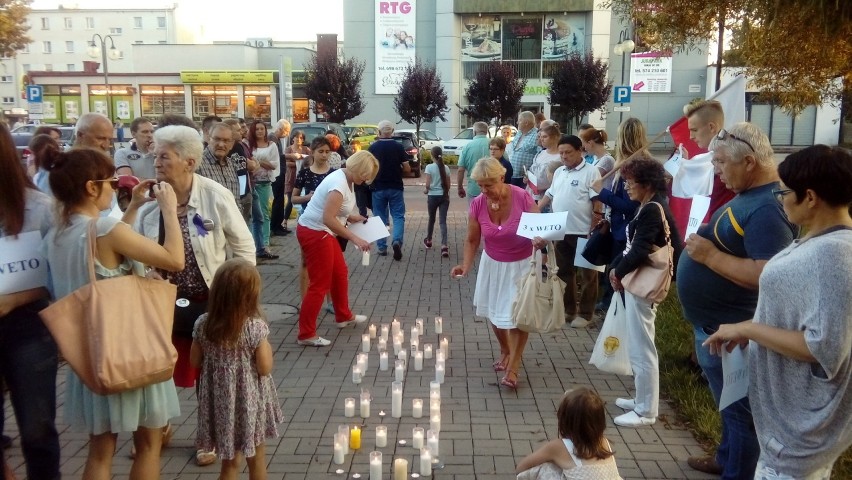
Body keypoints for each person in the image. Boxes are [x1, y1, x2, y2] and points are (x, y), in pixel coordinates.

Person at [703, 145, 852, 480]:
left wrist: (749, 330)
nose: (780, 199)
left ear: (810, 197)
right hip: (787, 429)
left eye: (785, 192)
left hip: (801, 434)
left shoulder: (836, 257)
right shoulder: (818, 242)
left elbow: (824, 346)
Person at [43, 146, 185, 479]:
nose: (115, 187)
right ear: (91, 188)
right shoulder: (105, 228)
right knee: (149, 445)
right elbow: (175, 259)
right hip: (131, 348)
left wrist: (133, 206)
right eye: (110, 182)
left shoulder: (58, 234)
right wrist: (169, 210)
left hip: (92, 353)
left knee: (100, 450)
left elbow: (108, 254)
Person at [677, 122, 796, 478]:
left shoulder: (766, 210)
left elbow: (768, 275)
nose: (716, 171)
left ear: (748, 162)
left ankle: (735, 470)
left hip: (733, 333)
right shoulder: (750, 197)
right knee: (729, 408)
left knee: (741, 415)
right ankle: (725, 458)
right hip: (718, 327)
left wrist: (710, 257)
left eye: (721, 163)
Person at [134, 125, 256, 467]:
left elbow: (243, 247)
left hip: (209, 299)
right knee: (159, 370)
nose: (156, 161)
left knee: (210, 374)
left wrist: (239, 297)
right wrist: (146, 269)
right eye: (155, 154)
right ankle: (160, 428)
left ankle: (208, 438)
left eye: (164, 156)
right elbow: (136, 247)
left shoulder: (214, 196)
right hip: (162, 300)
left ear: (189, 161)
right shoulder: (151, 201)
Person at [450, 157, 545, 389]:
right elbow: (472, 239)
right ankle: (505, 349)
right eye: (480, 186)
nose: (484, 190)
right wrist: (465, 265)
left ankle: (514, 366)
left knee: (516, 318)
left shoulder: (521, 196)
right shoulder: (478, 204)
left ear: (501, 177)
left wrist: (541, 240)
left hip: (523, 263)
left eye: (488, 184)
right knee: (495, 316)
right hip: (493, 263)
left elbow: (540, 228)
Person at [0, 124, 61, 480]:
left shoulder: (40, 208)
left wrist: (13, 300)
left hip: (28, 328)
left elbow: (58, 277)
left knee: (37, 430)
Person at [190, 259, 283, 480]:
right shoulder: (255, 328)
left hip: (220, 404)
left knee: (229, 463)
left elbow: (194, 361)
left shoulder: (203, 324)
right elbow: (264, 368)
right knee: (257, 459)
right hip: (250, 405)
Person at [607, 156, 683, 427]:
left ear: (647, 183)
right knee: (639, 345)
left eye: (630, 182)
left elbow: (639, 249)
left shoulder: (651, 209)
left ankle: (646, 411)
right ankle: (641, 398)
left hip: (645, 287)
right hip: (639, 283)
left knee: (643, 348)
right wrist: (617, 267)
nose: (626, 187)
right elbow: (633, 247)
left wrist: (617, 271)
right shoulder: (649, 206)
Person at [295, 151, 379, 346]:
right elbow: (328, 218)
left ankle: (343, 315)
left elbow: (335, 210)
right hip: (315, 232)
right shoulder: (339, 184)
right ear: (356, 169)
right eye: (365, 175)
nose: (366, 180)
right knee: (319, 284)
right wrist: (355, 238)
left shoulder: (345, 178)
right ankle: (306, 334)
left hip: (322, 231)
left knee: (340, 272)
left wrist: (351, 217)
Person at [537, 135, 601, 328]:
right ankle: (569, 310)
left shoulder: (592, 172)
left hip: (584, 232)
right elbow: (549, 195)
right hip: (561, 231)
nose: (564, 156)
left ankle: (586, 313)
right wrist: (534, 211)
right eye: (562, 152)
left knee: (589, 275)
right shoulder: (559, 172)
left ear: (580, 150)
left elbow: (597, 202)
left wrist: (593, 228)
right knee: (564, 272)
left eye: (568, 152)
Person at [590, 119, 645, 312]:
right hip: (618, 228)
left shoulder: (635, 167)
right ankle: (610, 304)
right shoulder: (626, 163)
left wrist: (602, 193)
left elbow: (630, 206)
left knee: (619, 274)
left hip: (626, 231)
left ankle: (616, 312)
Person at [515, 388, 621, 479]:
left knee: (546, 468)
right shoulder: (604, 441)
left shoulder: (559, 446)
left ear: (565, 420)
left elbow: (521, 468)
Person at [292, 136, 338, 301]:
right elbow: (293, 198)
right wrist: (307, 197)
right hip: (309, 222)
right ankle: (304, 299)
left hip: (329, 223)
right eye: (320, 151)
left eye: (327, 152)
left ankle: (331, 300)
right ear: (312, 152)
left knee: (329, 263)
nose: (324, 155)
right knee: (305, 261)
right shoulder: (305, 173)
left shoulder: (334, 174)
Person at [368, 120, 410, 260]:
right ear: (392, 132)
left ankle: (381, 247)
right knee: (398, 216)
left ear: (379, 132)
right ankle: (397, 240)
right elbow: (407, 168)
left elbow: (368, 168)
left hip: (378, 187)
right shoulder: (398, 147)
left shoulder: (373, 148)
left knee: (379, 217)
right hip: (396, 186)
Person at [247, 121, 280, 260]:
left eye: (262, 129)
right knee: (251, 215)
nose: (260, 131)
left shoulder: (271, 145)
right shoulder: (247, 144)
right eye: (257, 129)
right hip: (250, 183)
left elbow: (274, 165)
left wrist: (258, 162)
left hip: (264, 182)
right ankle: (252, 244)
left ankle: (265, 243)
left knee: (264, 214)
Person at [280, 130, 312, 234]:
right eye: (297, 137)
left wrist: (301, 161)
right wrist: (297, 162)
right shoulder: (289, 149)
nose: (299, 139)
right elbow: (285, 162)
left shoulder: (306, 149)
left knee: (303, 198)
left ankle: (302, 219)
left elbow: (311, 161)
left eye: (301, 138)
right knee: (290, 200)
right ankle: (284, 221)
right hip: (291, 177)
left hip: (303, 177)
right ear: (293, 138)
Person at [423, 146, 451, 258]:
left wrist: (426, 190)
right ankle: (444, 245)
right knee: (442, 221)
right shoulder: (447, 168)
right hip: (444, 196)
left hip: (432, 197)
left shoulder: (429, 167)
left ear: (431, 155)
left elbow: (427, 184)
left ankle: (429, 240)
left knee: (431, 219)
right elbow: (448, 185)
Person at [457, 121, 491, 204]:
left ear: (474, 132)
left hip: (474, 188)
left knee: (474, 214)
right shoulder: (494, 144)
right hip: (492, 188)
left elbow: (460, 170)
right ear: (486, 132)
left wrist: (460, 187)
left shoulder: (467, 147)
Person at [526, 123, 561, 201]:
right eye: (540, 137)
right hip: (532, 195)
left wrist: (543, 188)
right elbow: (532, 171)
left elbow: (559, 180)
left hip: (547, 198)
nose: (541, 139)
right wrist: (527, 178)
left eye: (545, 137)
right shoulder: (540, 153)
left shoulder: (560, 157)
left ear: (555, 137)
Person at [269, 119, 292, 236]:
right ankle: (275, 226)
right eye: (287, 131)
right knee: (278, 200)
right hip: (277, 173)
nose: (287, 134)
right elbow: (277, 156)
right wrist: (290, 155)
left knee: (281, 199)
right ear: (281, 129)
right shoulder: (272, 138)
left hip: (280, 172)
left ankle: (278, 224)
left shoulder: (276, 139)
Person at [508, 111, 540, 188]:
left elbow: (539, 155)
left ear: (526, 122)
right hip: (512, 175)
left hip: (525, 179)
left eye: (519, 120)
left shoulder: (536, 135)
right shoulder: (519, 133)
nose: (517, 122)